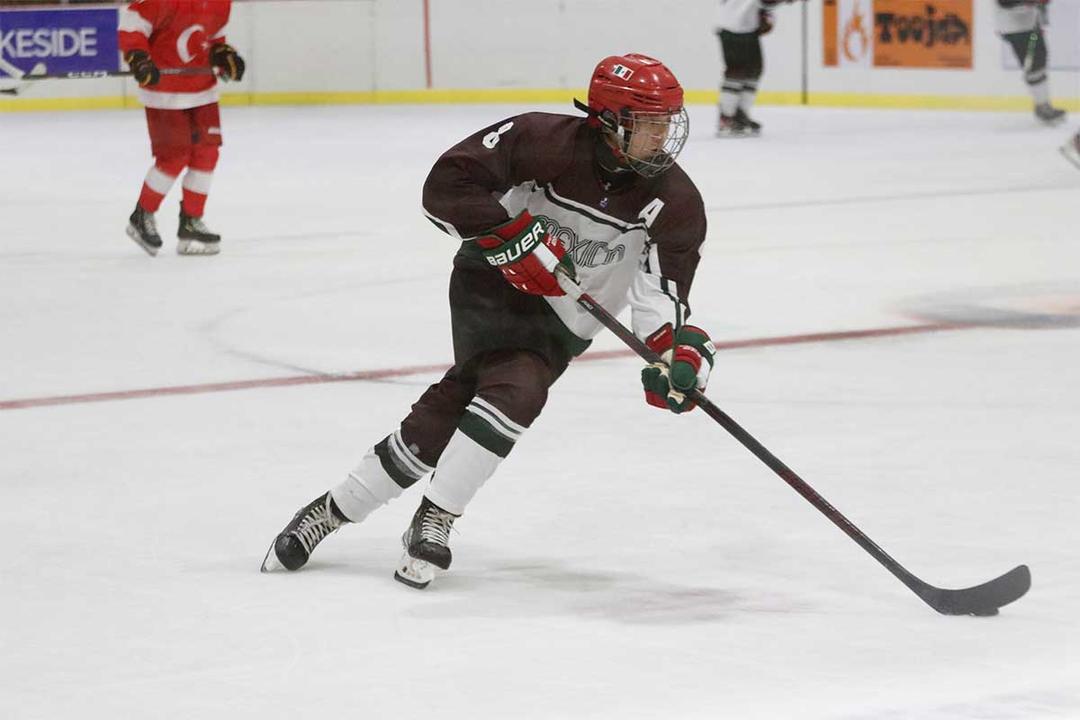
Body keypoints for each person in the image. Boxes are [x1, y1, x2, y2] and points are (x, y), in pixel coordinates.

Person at [261, 53, 715, 589]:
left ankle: (331, 510)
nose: (662, 138)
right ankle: (436, 518)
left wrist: (678, 356)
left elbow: (660, 298)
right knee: (518, 388)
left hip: (564, 321)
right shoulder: (541, 141)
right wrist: (509, 234)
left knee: (456, 404)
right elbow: (447, 185)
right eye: (650, 125)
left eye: (667, 123)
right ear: (612, 122)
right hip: (490, 282)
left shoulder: (677, 202)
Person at [118, 0, 246, 256]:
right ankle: (142, 215)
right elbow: (133, 26)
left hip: (203, 89)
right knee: (175, 156)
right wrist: (138, 56)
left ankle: (191, 221)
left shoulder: (221, 3)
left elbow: (210, 36)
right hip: (164, 93)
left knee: (207, 154)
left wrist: (222, 53)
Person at [714, 0, 797, 137]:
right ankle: (726, 117)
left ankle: (739, 114)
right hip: (734, 26)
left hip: (745, 26)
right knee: (736, 72)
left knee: (754, 71)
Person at [996, 0, 1066, 126]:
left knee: (1040, 58)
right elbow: (1005, 2)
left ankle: (1043, 105)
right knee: (1034, 64)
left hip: (1030, 26)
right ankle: (1042, 107)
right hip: (1016, 28)